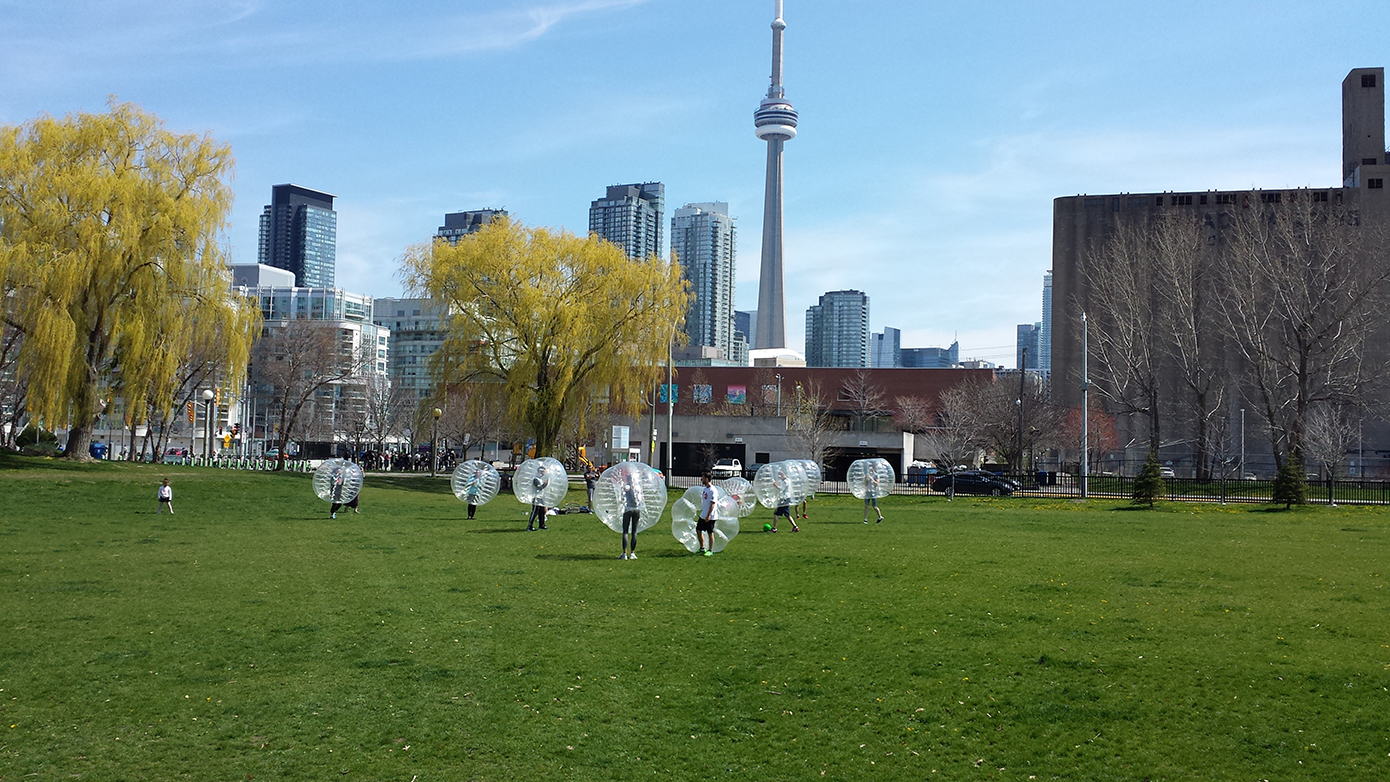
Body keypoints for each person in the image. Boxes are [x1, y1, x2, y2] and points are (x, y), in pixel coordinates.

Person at [619, 473, 642, 559]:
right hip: (636, 509)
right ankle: (632, 553)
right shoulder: (637, 488)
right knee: (634, 532)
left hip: (628, 509)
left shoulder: (626, 487)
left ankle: (624, 553)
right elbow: (640, 499)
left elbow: (622, 498)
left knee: (625, 531)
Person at [770, 467, 799, 532]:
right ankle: (795, 527)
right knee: (787, 515)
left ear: (784, 474)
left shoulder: (785, 481)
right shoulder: (788, 480)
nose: (779, 476)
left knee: (776, 514)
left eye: (781, 474)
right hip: (787, 498)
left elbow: (780, 488)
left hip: (784, 499)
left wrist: (775, 484)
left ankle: (774, 528)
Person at [696, 472, 717, 556]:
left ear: (707, 479)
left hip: (710, 516)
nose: (701, 479)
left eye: (703, 477)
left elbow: (713, 503)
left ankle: (710, 550)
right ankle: (702, 548)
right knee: (698, 530)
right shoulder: (705, 489)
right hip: (703, 514)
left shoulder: (713, 490)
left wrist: (708, 515)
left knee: (710, 532)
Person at [527, 465, 550, 531]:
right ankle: (530, 526)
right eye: (542, 472)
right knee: (535, 512)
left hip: (540, 498)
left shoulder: (540, 479)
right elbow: (539, 487)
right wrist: (545, 484)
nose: (543, 473)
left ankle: (542, 525)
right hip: (536, 498)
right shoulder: (535, 479)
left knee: (542, 512)